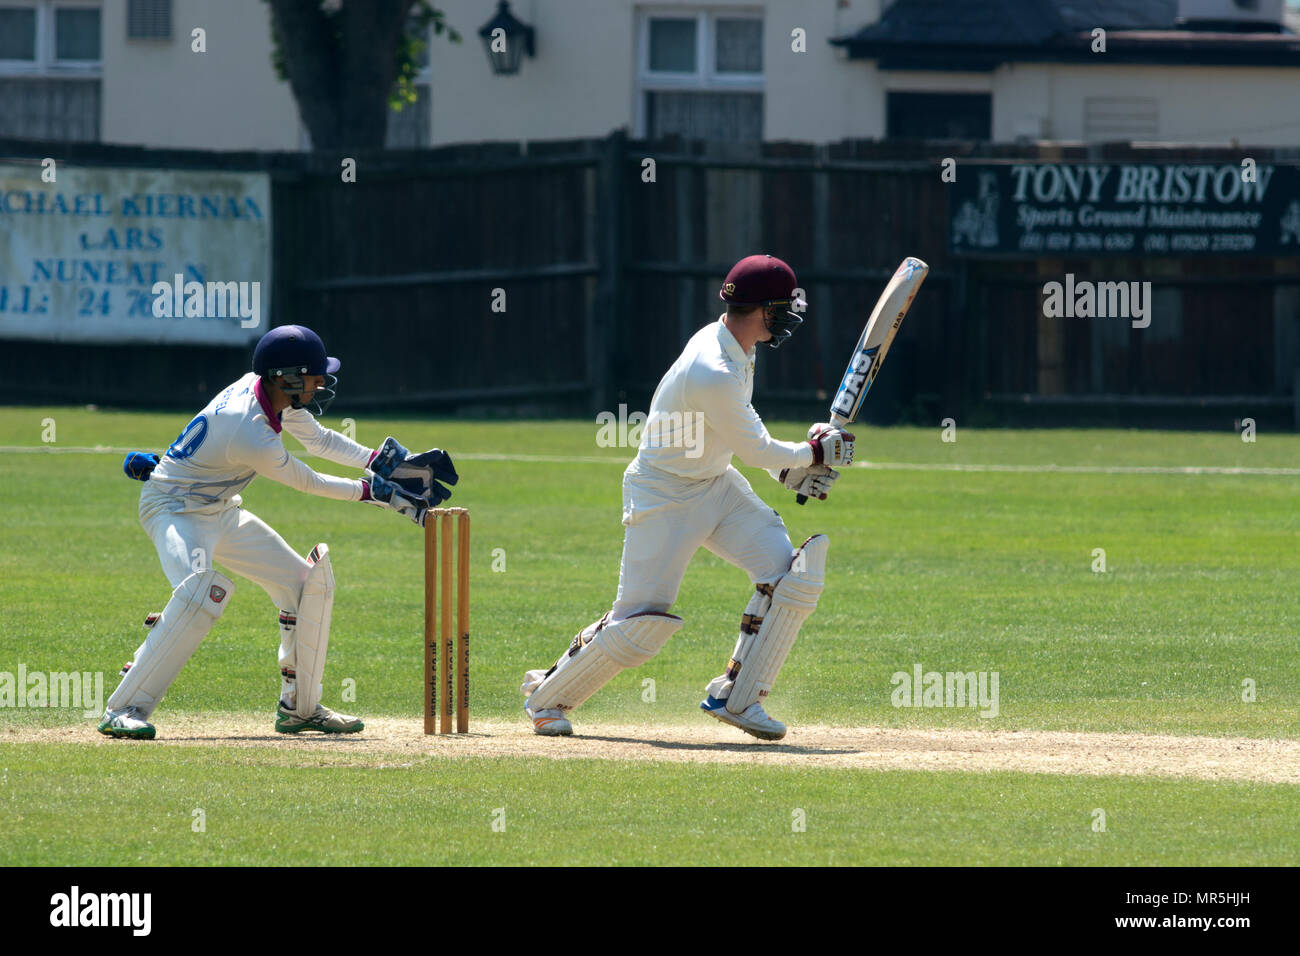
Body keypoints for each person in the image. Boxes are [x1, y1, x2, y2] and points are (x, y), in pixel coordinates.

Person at [521, 254, 853, 740]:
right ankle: (546, 698)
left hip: (716, 486)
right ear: (763, 311)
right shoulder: (713, 367)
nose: (786, 319)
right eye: (782, 308)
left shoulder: (735, 345)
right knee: (640, 625)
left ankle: (737, 697)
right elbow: (758, 448)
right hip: (664, 495)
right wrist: (813, 452)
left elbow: (733, 433)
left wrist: (791, 467)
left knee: (790, 576)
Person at [99, 324, 458, 739]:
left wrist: (381, 461)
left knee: (303, 585)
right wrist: (375, 493)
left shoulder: (268, 390)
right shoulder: (251, 429)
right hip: (174, 510)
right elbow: (307, 481)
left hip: (220, 509)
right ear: (286, 377)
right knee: (199, 595)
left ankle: (299, 708)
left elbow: (320, 441)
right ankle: (123, 709)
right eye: (314, 375)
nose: (322, 382)